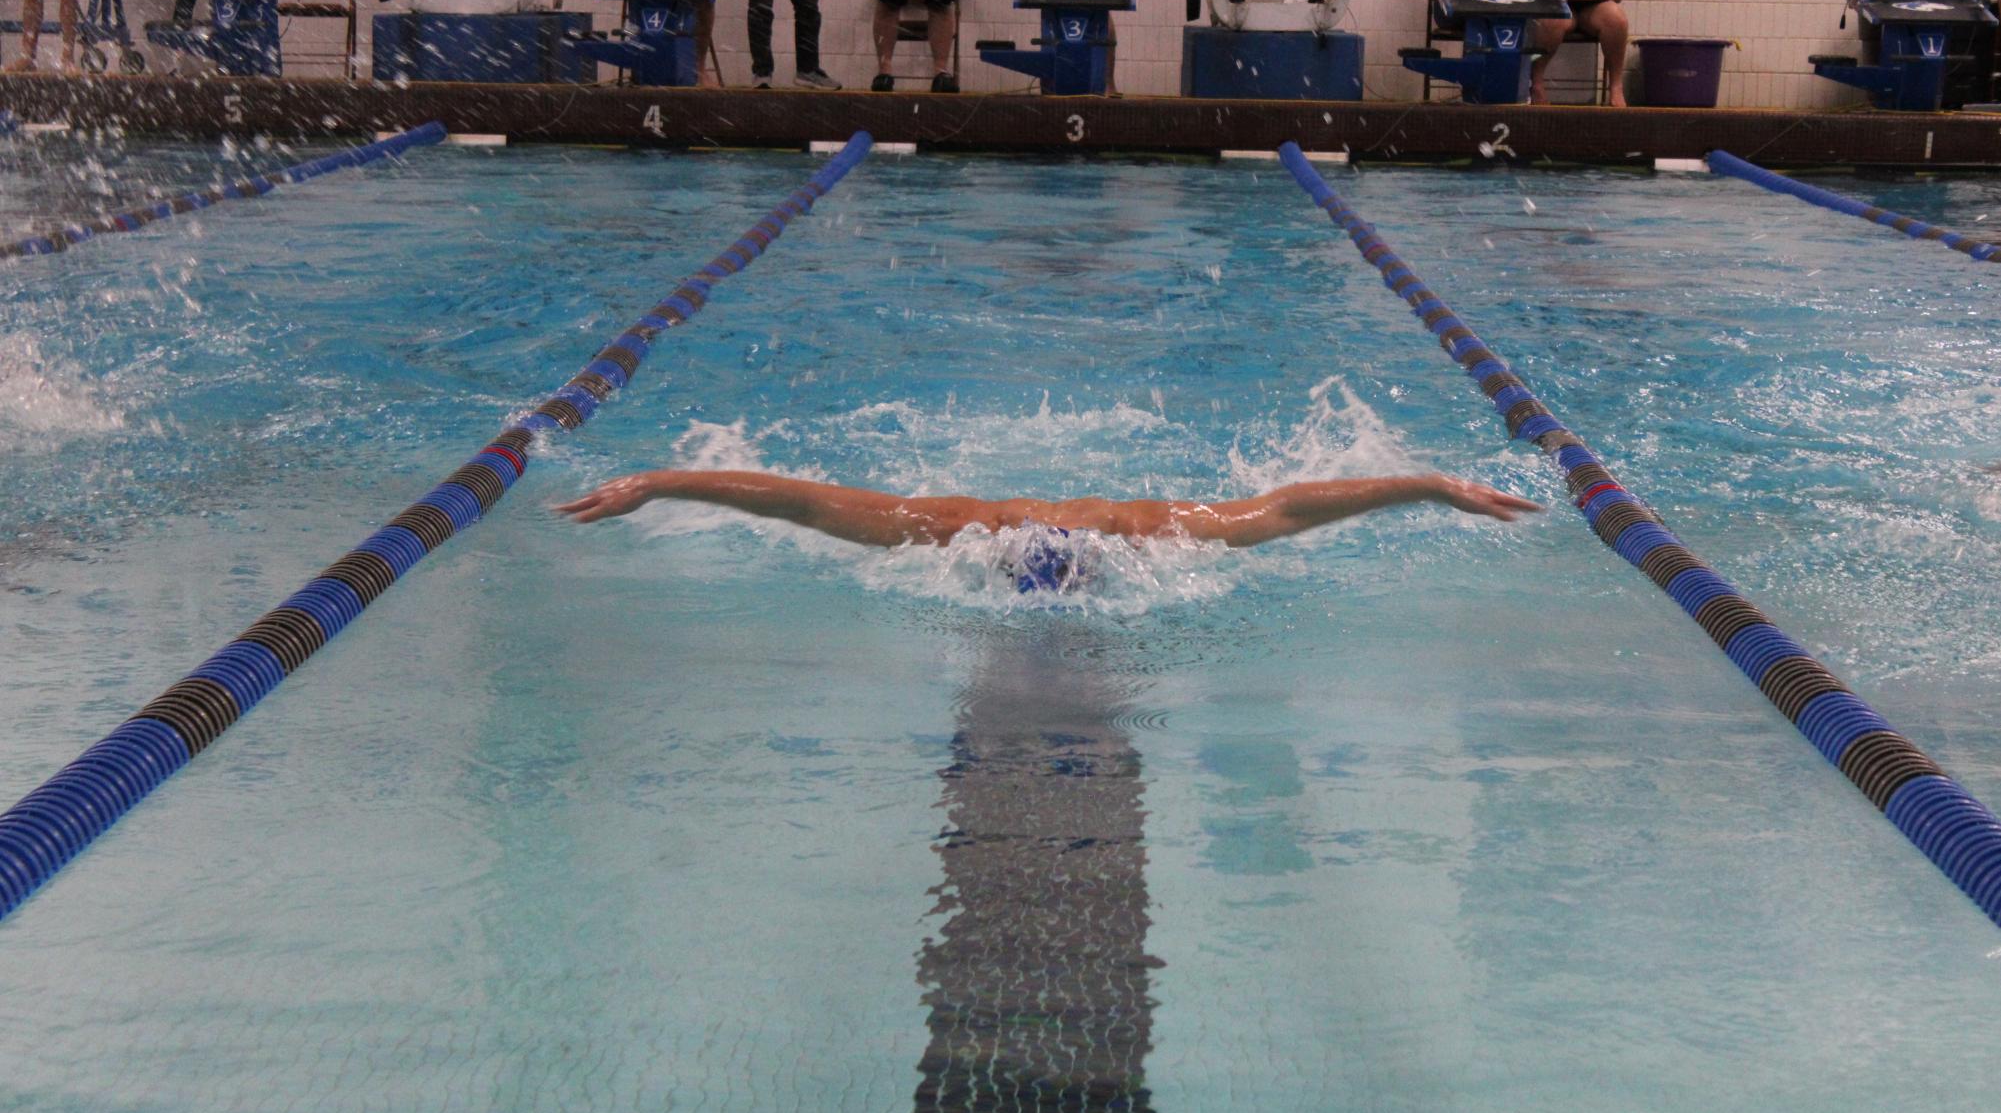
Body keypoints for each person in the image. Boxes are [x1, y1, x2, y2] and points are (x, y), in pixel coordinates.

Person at [557, 469, 1541, 591]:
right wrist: (659, 482)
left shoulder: (1158, 530)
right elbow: (802, 500)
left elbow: (1283, 507)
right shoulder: (954, 528)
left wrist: (1427, 486)